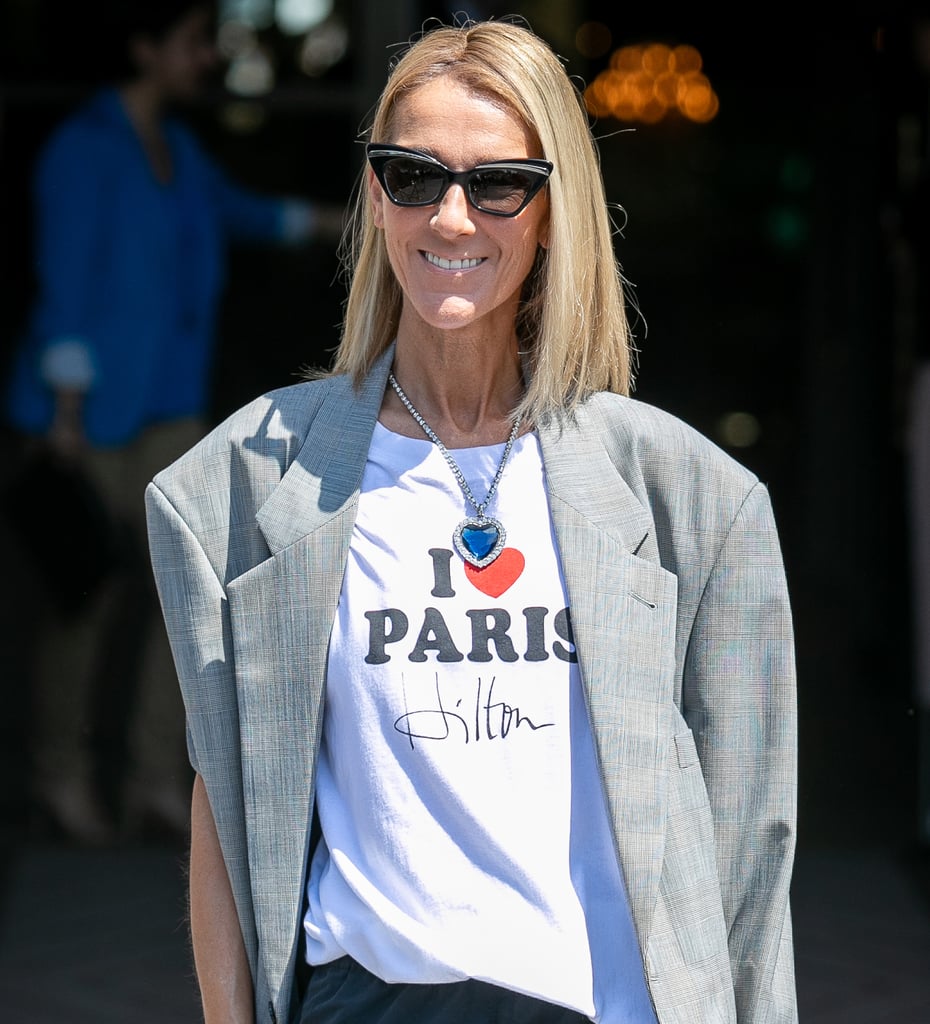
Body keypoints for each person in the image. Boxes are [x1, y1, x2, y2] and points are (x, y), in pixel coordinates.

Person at [146, 18, 798, 1024]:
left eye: (497, 182)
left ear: (551, 208)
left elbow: (749, 849)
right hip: (369, 999)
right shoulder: (247, 485)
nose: (452, 217)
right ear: (376, 193)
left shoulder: (694, 501)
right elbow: (226, 813)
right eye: (414, 175)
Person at [4, 0, 343, 845]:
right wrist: (67, 419)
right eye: (195, 41)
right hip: (91, 416)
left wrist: (359, 219)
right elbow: (64, 294)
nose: (209, 57)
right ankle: (63, 776)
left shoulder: (179, 152)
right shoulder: (84, 151)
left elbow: (248, 213)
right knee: (88, 593)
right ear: (145, 46)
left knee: (181, 596)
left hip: (169, 406)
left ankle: (159, 778)